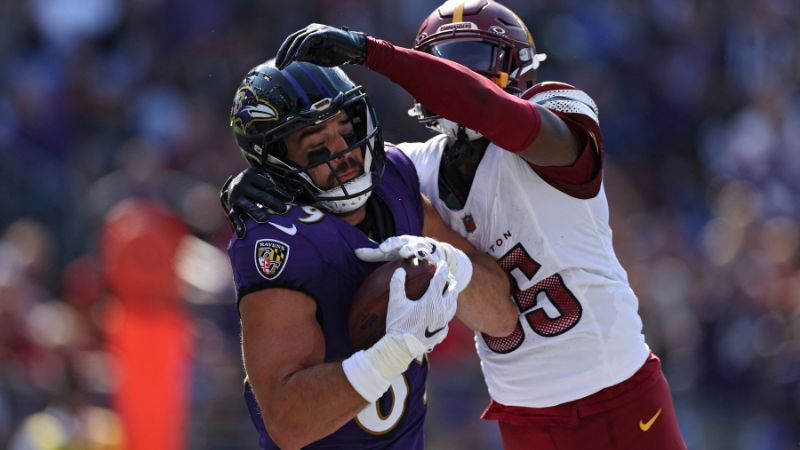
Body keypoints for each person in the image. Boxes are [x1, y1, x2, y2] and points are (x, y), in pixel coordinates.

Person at [222, 1, 688, 449]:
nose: (468, 76)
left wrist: (373, 52)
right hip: (519, 407)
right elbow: (332, 171)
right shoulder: (417, 168)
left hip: (615, 387)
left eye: (478, 61)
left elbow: (487, 108)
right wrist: (253, 180)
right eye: (450, 63)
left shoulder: (560, 118)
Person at [223, 58, 514, 449]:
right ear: (274, 159)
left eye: (346, 129)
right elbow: (288, 420)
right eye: (316, 145)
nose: (344, 152)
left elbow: (501, 316)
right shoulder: (276, 238)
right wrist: (398, 348)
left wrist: (448, 263)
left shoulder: (393, 180)